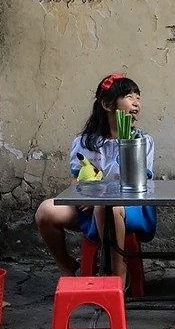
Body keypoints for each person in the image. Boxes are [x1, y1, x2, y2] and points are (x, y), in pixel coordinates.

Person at [35, 73, 156, 286]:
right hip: (89, 208)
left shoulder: (141, 141)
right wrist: (85, 195)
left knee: (105, 206)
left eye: (138, 96)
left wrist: (99, 198)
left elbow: (140, 184)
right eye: (129, 96)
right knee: (46, 211)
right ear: (107, 104)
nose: (136, 102)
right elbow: (77, 180)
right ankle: (67, 266)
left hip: (131, 206)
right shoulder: (85, 142)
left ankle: (118, 276)